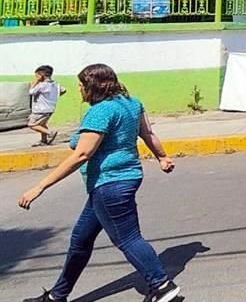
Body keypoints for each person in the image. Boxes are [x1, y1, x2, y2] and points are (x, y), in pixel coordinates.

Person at [18, 63, 180, 302]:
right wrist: (162, 157)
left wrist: (39, 187)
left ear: (92, 86)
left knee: (128, 238)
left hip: (109, 184)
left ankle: (162, 286)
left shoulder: (101, 111)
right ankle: (57, 296)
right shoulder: (132, 103)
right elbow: (147, 133)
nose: (79, 89)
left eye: (81, 85)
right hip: (121, 180)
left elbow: (82, 154)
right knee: (80, 241)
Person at [28, 65, 66, 146]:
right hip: (50, 108)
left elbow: (31, 92)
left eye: (36, 76)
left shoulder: (41, 85)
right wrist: (52, 97)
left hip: (40, 110)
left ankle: (50, 133)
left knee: (32, 125)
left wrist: (35, 82)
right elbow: (63, 90)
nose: (36, 78)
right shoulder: (56, 84)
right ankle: (43, 140)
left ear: (41, 75)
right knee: (42, 124)